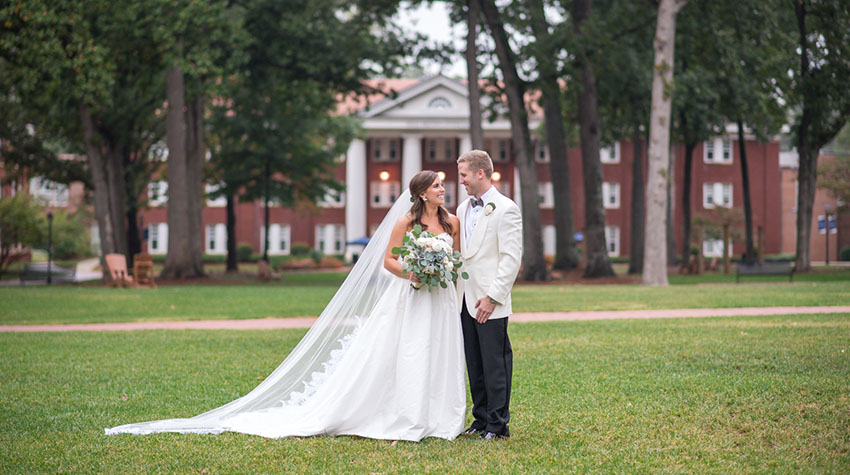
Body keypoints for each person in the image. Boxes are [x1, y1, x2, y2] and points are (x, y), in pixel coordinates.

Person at [106, 171, 466, 442]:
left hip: (443, 296)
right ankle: (409, 416)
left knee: (441, 351)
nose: (442, 189)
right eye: (436, 185)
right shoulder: (406, 222)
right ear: (421, 192)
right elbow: (389, 261)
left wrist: (443, 269)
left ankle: (439, 418)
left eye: (442, 185)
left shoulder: (451, 221)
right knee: (411, 352)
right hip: (413, 293)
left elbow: (458, 257)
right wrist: (414, 273)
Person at [455, 150, 523, 440]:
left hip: (490, 302)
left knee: (495, 364)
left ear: (480, 173)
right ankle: (480, 419)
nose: (461, 181)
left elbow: (510, 258)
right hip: (463, 300)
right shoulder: (461, 209)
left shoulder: (506, 208)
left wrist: (492, 297)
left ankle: (498, 425)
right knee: (475, 363)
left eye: (464, 175)